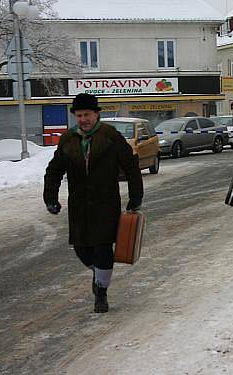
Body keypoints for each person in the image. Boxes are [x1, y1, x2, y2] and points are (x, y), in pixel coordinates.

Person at [43, 93, 143, 313]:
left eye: (86, 114)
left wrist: (136, 195)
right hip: (79, 205)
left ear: (96, 114)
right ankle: (100, 275)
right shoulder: (68, 139)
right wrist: (50, 197)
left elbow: (131, 166)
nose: (83, 119)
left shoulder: (111, 136)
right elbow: (54, 170)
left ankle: (101, 292)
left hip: (106, 204)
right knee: (82, 250)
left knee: (102, 248)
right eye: (79, 115)